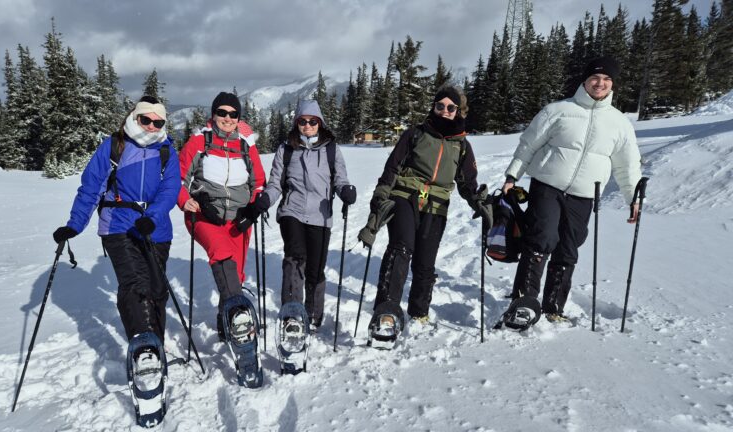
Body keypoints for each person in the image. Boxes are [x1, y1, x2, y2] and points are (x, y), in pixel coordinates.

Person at [500, 56, 642, 323]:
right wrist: (512, 175)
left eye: (606, 80)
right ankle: (524, 302)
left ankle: (554, 307)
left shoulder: (619, 123)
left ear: (612, 85)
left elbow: (628, 166)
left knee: (568, 248)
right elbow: (528, 144)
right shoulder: (558, 110)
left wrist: (632, 197)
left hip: (584, 195)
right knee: (541, 239)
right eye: (595, 78)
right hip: (547, 186)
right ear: (585, 81)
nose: (600, 83)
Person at [359, 86, 491, 339]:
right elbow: (393, 167)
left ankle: (419, 311)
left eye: (450, 107)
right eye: (439, 106)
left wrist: (480, 204)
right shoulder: (415, 134)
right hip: (405, 196)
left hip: (437, 204)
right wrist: (381, 193)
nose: (444, 111)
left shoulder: (462, 146)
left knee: (425, 261)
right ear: (433, 107)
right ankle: (386, 308)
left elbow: (467, 183)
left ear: (458, 110)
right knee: (401, 248)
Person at [52, 96, 180, 345]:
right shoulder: (114, 147)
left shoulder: (166, 151)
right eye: (146, 120)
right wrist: (74, 225)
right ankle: (143, 345)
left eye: (158, 122)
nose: (151, 127)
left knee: (157, 289)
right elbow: (91, 188)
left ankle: (156, 347)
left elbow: (170, 189)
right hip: (118, 224)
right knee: (134, 283)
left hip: (156, 227)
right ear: (135, 117)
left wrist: (152, 218)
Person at [251, 99, 355, 330]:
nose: (307, 126)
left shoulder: (331, 149)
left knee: (315, 267)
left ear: (320, 123)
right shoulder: (286, 149)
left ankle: (314, 313)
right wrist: (267, 198)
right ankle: (292, 312)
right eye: (303, 121)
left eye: (312, 121)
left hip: (320, 214)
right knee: (294, 258)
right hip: (292, 210)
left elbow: (340, 178)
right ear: (296, 122)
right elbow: (276, 183)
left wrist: (345, 190)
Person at [177, 91, 266, 341]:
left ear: (239, 118)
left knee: (235, 274)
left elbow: (259, 181)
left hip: (238, 219)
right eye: (222, 113)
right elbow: (177, 177)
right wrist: (185, 201)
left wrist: (253, 207)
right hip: (205, 216)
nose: (227, 118)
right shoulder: (199, 142)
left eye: (233, 114)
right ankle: (239, 314)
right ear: (213, 114)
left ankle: (225, 321)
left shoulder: (246, 146)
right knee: (221, 252)